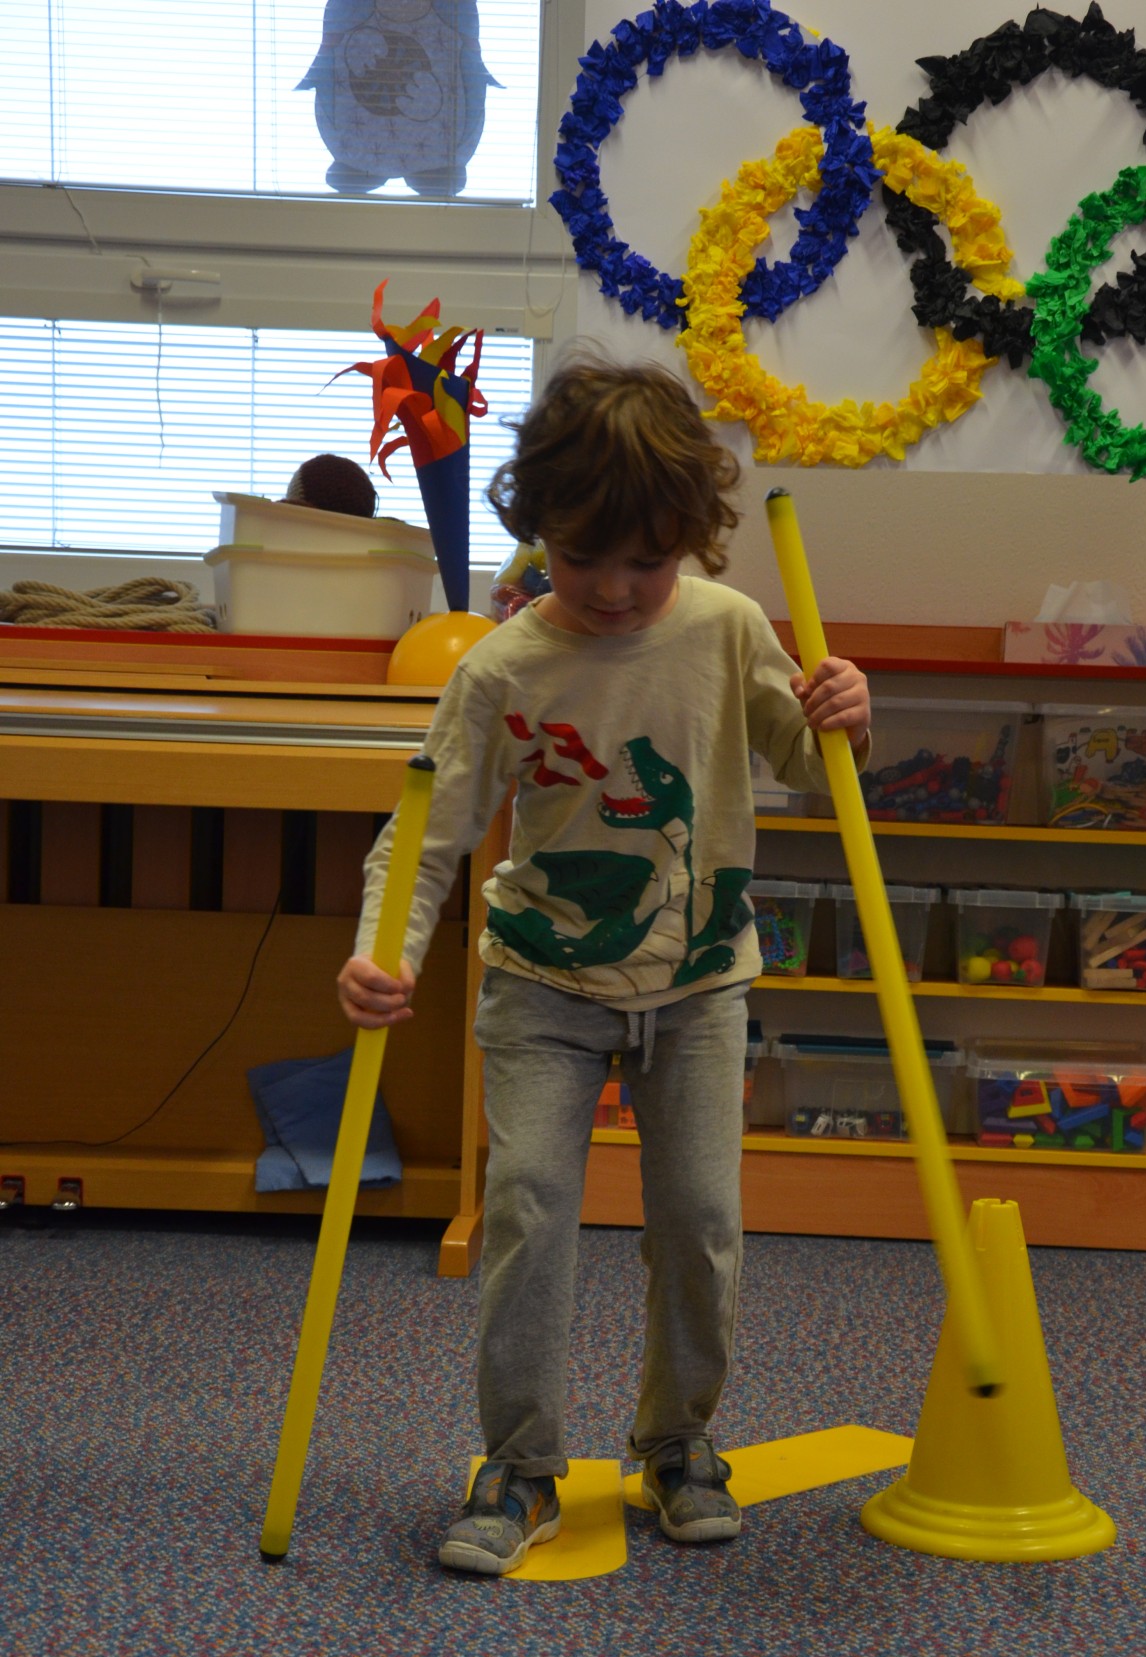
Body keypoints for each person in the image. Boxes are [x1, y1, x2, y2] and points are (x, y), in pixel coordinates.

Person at [337, 353, 871, 1576]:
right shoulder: (502, 668)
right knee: (527, 1207)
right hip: (545, 981)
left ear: (689, 538)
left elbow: (808, 759)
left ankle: (677, 1442)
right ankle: (521, 1463)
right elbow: (423, 838)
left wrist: (843, 709)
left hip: (700, 982)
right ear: (538, 529)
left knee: (701, 1219)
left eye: (648, 560)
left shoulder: (728, 628)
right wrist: (380, 954)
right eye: (585, 559)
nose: (618, 590)